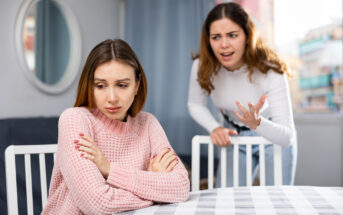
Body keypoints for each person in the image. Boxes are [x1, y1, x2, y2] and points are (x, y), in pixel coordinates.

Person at [42, 39, 190, 214]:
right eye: (101, 86)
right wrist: (156, 188)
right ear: (90, 86)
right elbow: (98, 203)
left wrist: (109, 169)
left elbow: (181, 187)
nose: (112, 97)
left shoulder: (148, 123)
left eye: (122, 85)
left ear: (137, 85)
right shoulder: (74, 119)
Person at [188, 2, 297, 187]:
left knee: (277, 202)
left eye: (232, 35)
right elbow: (195, 104)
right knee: (227, 202)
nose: (223, 44)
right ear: (208, 40)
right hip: (235, 137)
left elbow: (286, 137)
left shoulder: (271, 70)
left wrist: (258, 123)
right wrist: (215, 128)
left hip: (273, 138)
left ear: (247, 36)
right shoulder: (201, 65)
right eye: (216, 37)